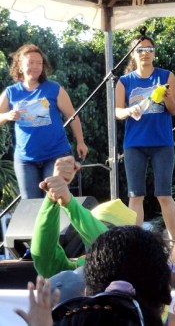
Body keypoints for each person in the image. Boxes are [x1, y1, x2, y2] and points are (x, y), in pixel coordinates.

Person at [0, 44, 88, 199]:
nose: (35, 66)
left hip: (55, 155)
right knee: (31, 204)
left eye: (39, 63)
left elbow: (72, 116)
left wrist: (80, 141)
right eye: (30, 63)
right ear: (20, 65)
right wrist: (7, 116)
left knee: (53, 199)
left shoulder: (54, 88)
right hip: (25, 160)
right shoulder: (11, 92)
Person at [115, 35, 175, 239]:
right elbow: (117, 112)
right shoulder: (124, 81)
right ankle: (136, 242)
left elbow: (174, 110)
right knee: (135, 196)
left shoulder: (167, 76)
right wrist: (129, 110)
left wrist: (168, 98)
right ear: (133, 54)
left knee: (164, 195)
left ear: (155, 53)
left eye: (149, 49)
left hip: (162, 143)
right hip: (134, 145)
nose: (145, 53)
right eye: (140, 50)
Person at [31, 156, 136, 278]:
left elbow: (109, 245)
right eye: (91, 225)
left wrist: (70, 203)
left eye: (103, 227)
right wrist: (52, 197)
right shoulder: (78, 269)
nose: (90, 237)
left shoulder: (135, 272)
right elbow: (43, 258)